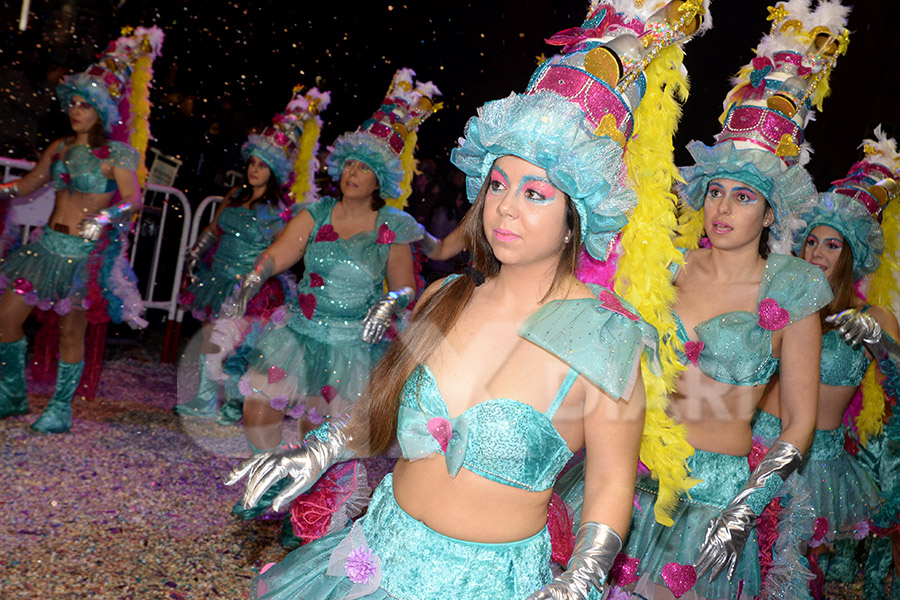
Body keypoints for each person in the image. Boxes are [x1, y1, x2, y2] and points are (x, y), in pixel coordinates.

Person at [226, 2, 708, 598]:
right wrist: (318, 453)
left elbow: (610, 486)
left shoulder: (606, 336)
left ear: (574, 218)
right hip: (372, 561)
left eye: (535, 193)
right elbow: (382, 407)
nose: (505, 208)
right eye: (498, 184)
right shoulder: (446, 296)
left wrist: (580, 580)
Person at [570, 3, 849, 598]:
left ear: (771, 210)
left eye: (744, 197)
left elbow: (798, 423)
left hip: (713, 504)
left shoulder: (792, 285)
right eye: (716, 192)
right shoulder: (665, 265)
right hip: (630, 477)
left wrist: (748, 505)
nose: (723, 208)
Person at [220, 68, 439, 515]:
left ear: (382, 177)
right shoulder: (316, 212)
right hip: (299, 335)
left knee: (318, 433)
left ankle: (306, 509)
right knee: (257, 413)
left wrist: (389, 302)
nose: (354, 172)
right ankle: (268, 482)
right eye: (351, 164)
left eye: (366, 167)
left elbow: (405, 287)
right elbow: (279, 254)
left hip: (353, 347)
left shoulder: (390, 227)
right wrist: (253, 276)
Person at [754, 128, 900, 584]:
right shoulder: (778, 298)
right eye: (811, 241)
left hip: (819, 465)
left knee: (789, 575)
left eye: (832, 244)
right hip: (757, 444)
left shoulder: (870, 313)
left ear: (852, 255)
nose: (816, 252)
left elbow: (897, 381)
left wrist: (878, 339)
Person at [0, 27, 163, 433]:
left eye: (85, 105)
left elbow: (133, 201)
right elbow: (27, 185)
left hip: (83, 257)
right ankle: (13, 393)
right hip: (44, 249)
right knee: (6, 318)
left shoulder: (119, 154)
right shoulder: (59, 147)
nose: (76, 110)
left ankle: (60, 409)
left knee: (71, 334)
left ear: (102, 110)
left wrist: (103, 219)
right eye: (72, 103)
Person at [175, 86, 330, 425]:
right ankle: (203, 400)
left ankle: (233, 404)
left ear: (274, 171)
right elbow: (215, 228)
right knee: (208, 339)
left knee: (237, 348)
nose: (254, 170)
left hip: (249, 286)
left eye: (263, 166)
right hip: (217, 278)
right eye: (253, 164)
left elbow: (284, 250)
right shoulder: (234, 193)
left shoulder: (277, 211)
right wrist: (196, 252)